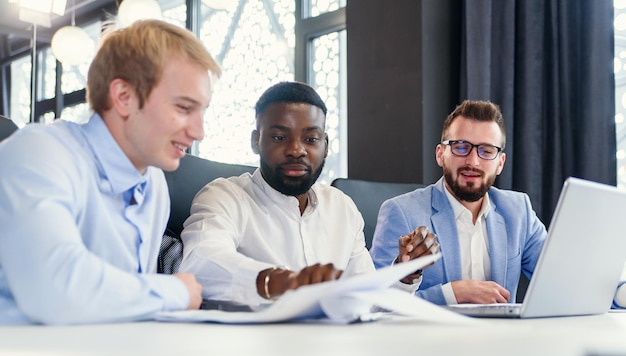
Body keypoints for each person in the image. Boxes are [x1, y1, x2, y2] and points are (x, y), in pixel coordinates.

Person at [0, 19, 221, 325]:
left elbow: (125, 308)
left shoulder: (153, 182)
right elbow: (55, 290)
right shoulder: (38, 152)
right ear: (123, 97)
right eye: (184, 108)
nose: (199, 132)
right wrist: (176, 291)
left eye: (202, 111)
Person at [179, 81, 439, 308]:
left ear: (325, 146)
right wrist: (283, 282)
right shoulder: (223, 196)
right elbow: (200, 264)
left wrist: (405, 274)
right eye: (280, 137)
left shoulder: (341, 207)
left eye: (311, 139)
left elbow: (366, 302)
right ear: (256, 140)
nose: (296, 150)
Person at [370, 100, 547, 306]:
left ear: (500, 163)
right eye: (461, 147)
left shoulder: (518, 211)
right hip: (431, 337)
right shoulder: (401, 212)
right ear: (440, 154)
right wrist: (453, 294)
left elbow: (558, 277)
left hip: (503, 336)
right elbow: (375, 303)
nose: (472, 161)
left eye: (486, 151)